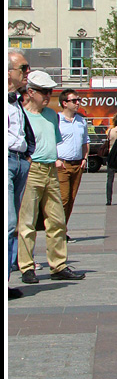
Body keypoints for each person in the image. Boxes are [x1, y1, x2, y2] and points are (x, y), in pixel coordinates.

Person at [17, 71, 86, 284]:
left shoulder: (51, 115)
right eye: (43, 91)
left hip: (51, 169)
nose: (48, 95)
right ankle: (27, 267)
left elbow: (54, 141)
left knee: (57, 220)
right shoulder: (21, 114)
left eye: (50, 91)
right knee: (27, 221)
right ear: (30, 92)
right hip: (32, 168)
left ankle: (58, 265)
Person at [8, 51, 35, 299]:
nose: (27, 73)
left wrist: (27, 154)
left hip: (19, 160)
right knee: (7, 224)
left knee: (13, 222)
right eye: (23, 68)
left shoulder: (16, 101)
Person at [56, 88, 90, 242]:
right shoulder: (57, 120)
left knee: (71, 199)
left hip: (78, 164)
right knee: (63, 199)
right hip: (62, 164)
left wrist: (85, 158)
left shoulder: (80, 120)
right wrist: (55, 159)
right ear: (64, 103)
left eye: (79, 100)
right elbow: (51, 140)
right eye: (74, 100)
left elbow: (85, 141)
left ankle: (63, 229)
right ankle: (58, 231)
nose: (78, 103)